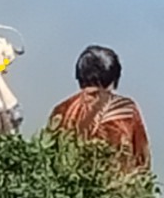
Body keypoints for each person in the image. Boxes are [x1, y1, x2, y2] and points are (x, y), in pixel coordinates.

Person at [46, 45, 151, 174]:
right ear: (114, 78)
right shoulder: (126, 109)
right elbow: (143, 159)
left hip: (68, 184)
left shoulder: (61, 110)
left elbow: (48, 157)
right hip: (116, 184)